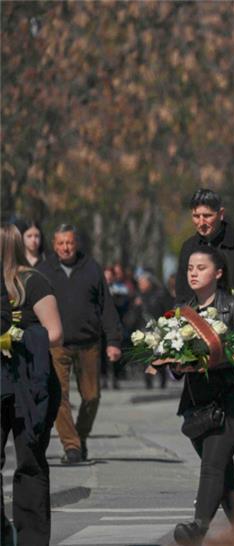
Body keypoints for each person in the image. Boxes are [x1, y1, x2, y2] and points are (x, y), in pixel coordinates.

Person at [172, 246, 234, 546]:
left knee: (212, 464)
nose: (193, 273)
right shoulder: (182, 311)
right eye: (190, 268)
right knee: (222, 473)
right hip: (197, 406)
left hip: (232, 402)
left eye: (201, 268)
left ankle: (198, 528)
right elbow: (173, 357)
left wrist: (213, 359)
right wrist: (174, 363)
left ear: (218, 273)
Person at [36, 224, 122, 464]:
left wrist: (114, 341)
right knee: (59, 396)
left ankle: (80, 436)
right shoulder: (44, 270)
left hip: (89, 343)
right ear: (54, 245)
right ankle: (71, 446)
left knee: (92, 396)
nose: (66, 247)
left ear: (76, 243)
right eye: (61, 243)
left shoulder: (92, 268)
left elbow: (107, 307)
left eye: (70, 242)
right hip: (57, 343)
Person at [1, 224, 63, 546]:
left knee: (30, 460)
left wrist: (17, 336)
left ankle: (31, 539)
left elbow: (54, 332)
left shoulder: (31, 282)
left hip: (31, 384)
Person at [175, 188, 234, 304]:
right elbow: (182, 295)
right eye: (196, 216)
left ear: (221, 214)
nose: (201, 223)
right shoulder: (188, 247)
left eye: (207, 216)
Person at [128, 271, 174, 389]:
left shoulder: (160, 294)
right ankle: (148, 380)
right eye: (139, 283)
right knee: (146, 356)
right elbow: (134, 315)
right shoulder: (138, 296)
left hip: (158, 329)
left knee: (159, 356)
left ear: (149, 282)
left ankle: (162, 378)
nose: (141, 285)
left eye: (143, 282)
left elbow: (168, 310)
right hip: (143, 329)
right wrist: (136, 306)